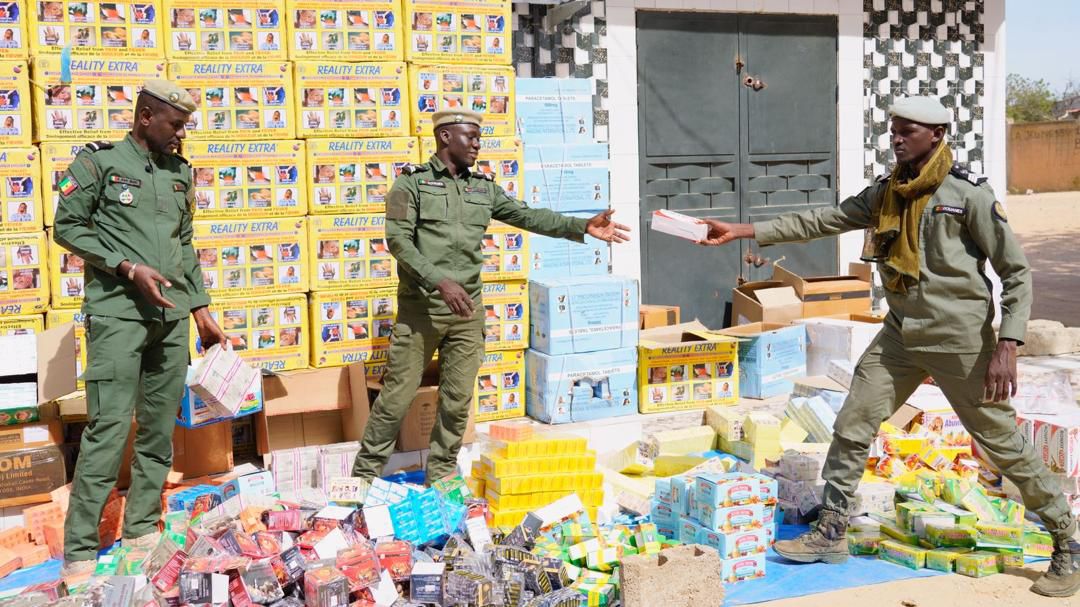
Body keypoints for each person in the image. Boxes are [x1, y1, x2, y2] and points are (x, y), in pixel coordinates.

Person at [693, 96, 1080, 598]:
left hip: (960, 343)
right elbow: (824, 220)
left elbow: (1016, 274)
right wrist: (743, 230)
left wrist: (1009, 342)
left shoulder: (968, 197)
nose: (896, 138)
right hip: (900, 334)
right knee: (853, 421)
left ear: (937, 135)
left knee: (1001, 444)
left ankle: (1066, 540)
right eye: (893, 129)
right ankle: (832, 530)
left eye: (908, 131)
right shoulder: (885, 194)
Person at [351, 109, 631, 484]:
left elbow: (527, 216)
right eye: (471, 137)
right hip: (422, 314)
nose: (478, 145)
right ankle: (359, 483)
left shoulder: (482, 188)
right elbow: (398, 241)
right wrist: (440, 282)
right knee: (396, 400)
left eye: (479, 137)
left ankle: (442, 481)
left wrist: (581, 225)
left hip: (467, 313)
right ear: (445, 137)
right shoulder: (411, 186)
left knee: (456, 403)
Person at [53, 80, 226, 581]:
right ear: (146, 116)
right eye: (175, 124)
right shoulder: (99, 164)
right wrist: (127, 267)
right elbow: (68, 225)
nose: (181, 134)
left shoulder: (179, 173)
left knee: (157, 433)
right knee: (107, 432)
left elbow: (184, 245)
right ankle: (81, 553)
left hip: (170, 322)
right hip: (117, 317)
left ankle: (142, 530)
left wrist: (201, 312)